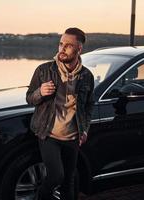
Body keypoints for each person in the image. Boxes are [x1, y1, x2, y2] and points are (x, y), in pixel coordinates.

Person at [26, 27, 94, 200]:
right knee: (57, 176)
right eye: (60, 44)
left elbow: (88, 105)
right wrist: (40, 92)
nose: (62, 49)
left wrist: (84, 129)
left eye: (68, 45)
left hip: (72, 137)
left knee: (69, 182)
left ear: (79, 49)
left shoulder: (86, 76)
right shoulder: (44, 70)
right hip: (49, 134)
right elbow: (29, 98)